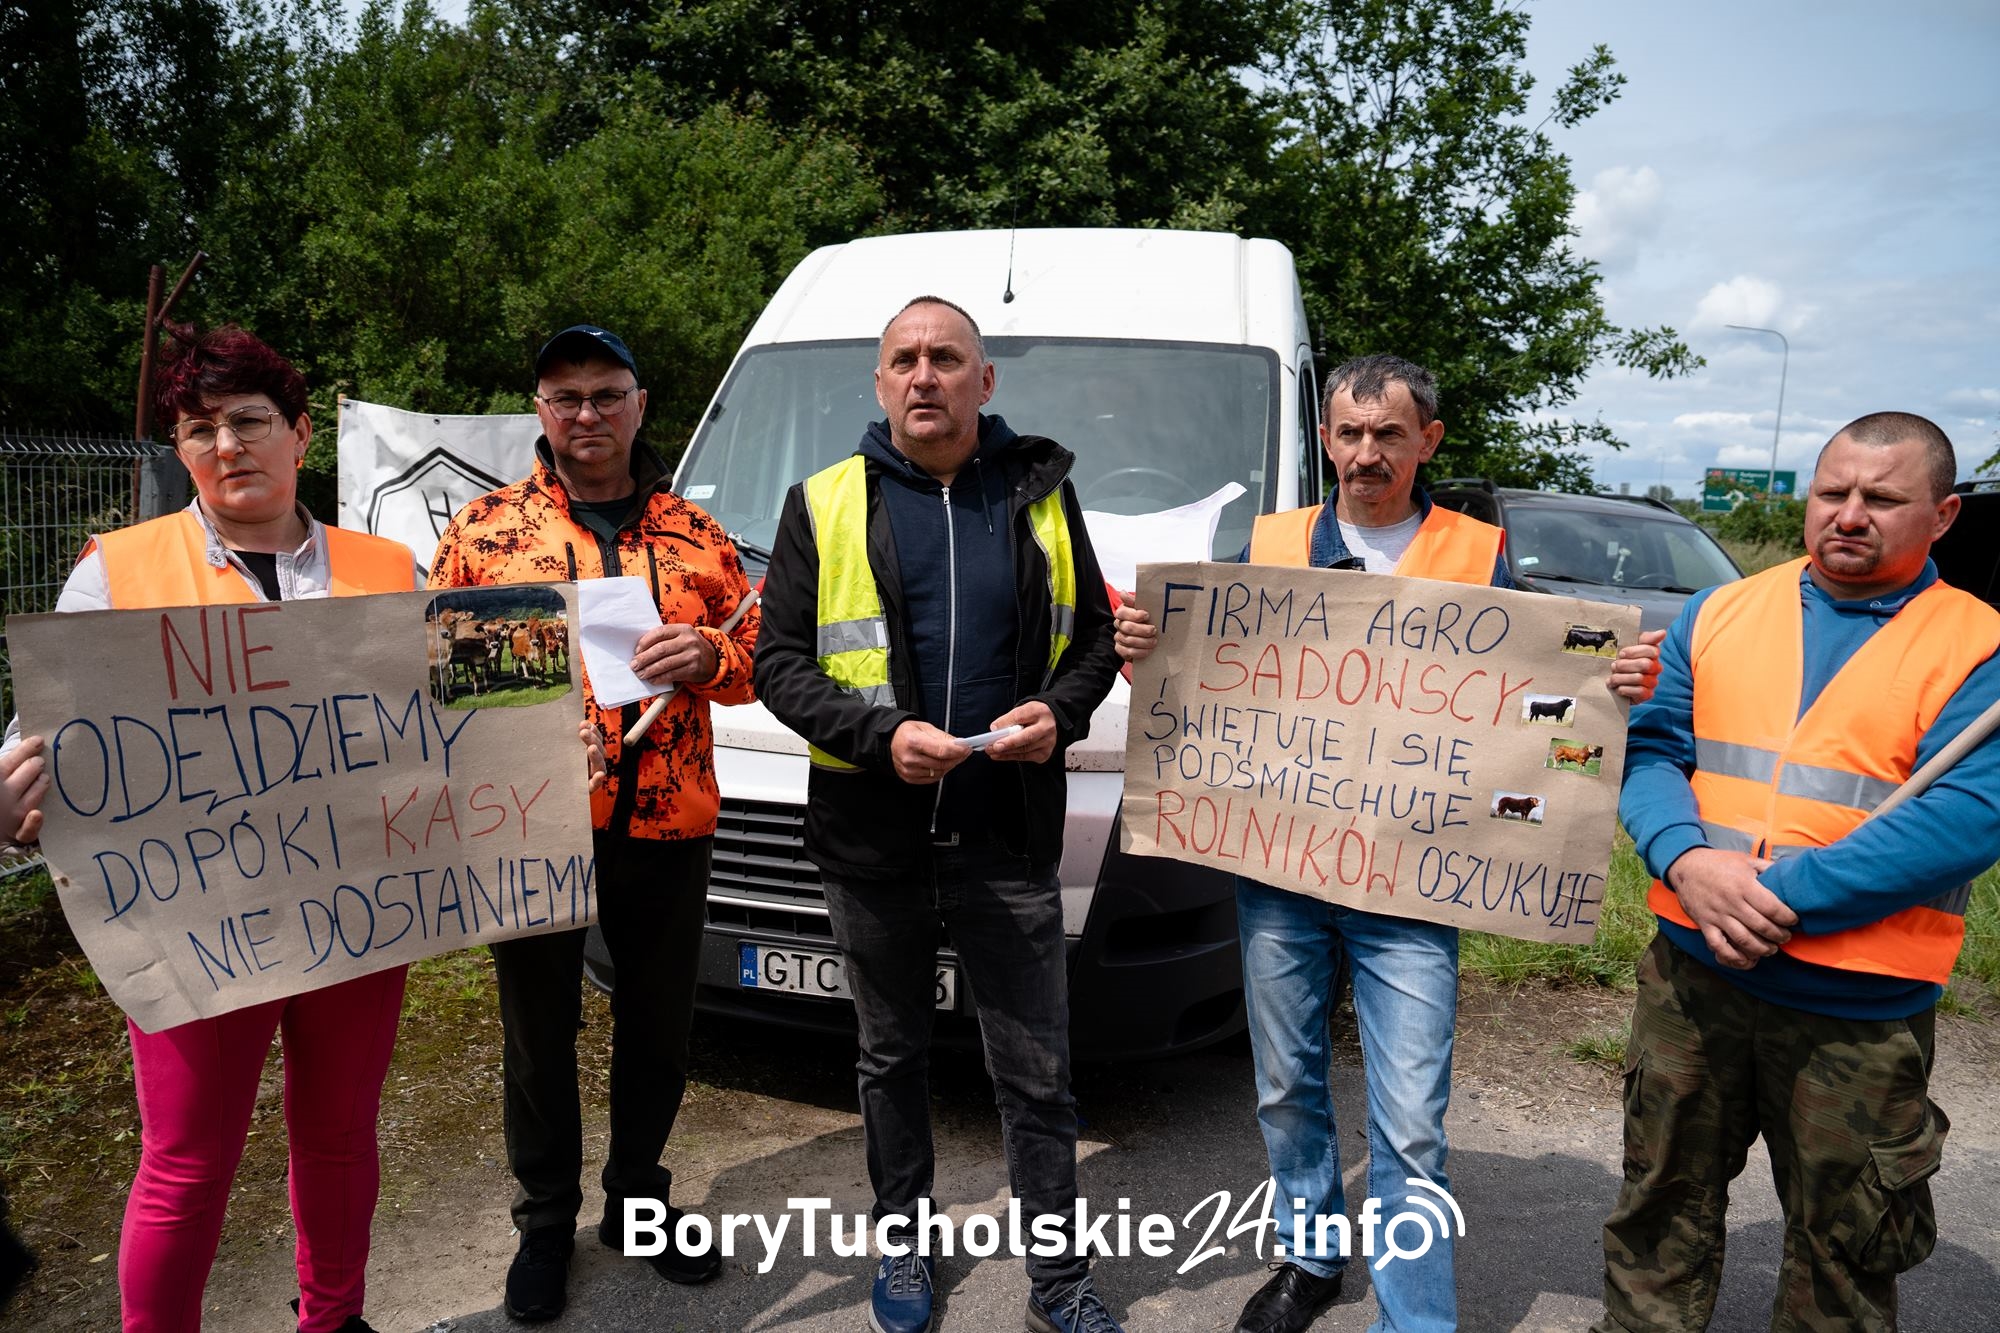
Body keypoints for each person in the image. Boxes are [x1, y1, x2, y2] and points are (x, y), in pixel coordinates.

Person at [1113, 354, 1662, 1333]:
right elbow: (1213, 677)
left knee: (1409, 1120)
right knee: (1285, 1086)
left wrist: (1605, 686)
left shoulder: (1478, 554)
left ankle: (1413, 1315)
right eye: (1349, 434)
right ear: (1324, 438)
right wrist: (1145, 650)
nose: (1365, 455)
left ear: (1427, 441)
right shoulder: (1272, 544)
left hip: (1416, 884)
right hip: (1280, 874)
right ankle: (1308, 1258)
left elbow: (1540, 696)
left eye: (1388, 435)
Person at [0, 324, 421, 1332]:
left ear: (299, 435)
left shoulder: (389, 565)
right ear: (182, 450)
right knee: (185, 1160)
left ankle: (335, 1317)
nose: (226, 445)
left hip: (355, 906)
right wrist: (12, 791)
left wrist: (529, 758)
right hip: (195, 918)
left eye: (247, 421)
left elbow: (448, 721)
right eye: (198, 430)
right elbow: (40, 733)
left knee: (339, 1133)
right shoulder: (117, 570)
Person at [753, 296, 1123, 1333]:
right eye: (904, 360)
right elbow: (775, 663)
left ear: (983, 380)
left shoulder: (1042, 494)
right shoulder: (822, 499)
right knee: (889, 1058)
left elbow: (1094, 642)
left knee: (1036, 1071)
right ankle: (904, 1245)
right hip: (872, 836)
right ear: (879, 383)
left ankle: (1058, 1279)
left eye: (946, 359)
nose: (924, 376)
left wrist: (1058, 709)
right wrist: (879, 738)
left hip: (1004, 829)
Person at [1596, 413, 2000, 1333]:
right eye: (1833, 492)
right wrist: (1689, 862)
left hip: (1855, 1010)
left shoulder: (1978, 645)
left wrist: (1775, 895)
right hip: (1692, 979)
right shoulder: (1722, 609)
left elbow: (1966, 821)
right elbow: (1654, 748)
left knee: (1846, 1245)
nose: (1849, 515)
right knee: (1658, 1205)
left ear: (1941, 516)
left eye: (1882, 499)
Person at [427, 324, 758, 1322]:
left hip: (667, 821)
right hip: (530, 818)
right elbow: (441, 679)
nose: (585, 415)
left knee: (658, 1023)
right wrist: (532, 734)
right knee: (537, 1030)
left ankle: (639, 1202)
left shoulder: (696, 536)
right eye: (563, 397)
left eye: (605, 394)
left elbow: (756, 656)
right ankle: (544, 1222)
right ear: (538, 410)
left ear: (640, 404)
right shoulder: (485, 533)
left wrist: (710, 661)